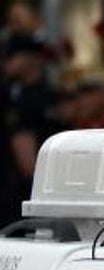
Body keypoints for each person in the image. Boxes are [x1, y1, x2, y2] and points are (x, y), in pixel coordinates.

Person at [1, 32, 58, 225]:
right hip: (36, 190)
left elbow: (27, 162)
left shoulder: (23, 98)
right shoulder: (46, 95)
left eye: (11, 56)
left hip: (27, 193)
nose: (7, 63)